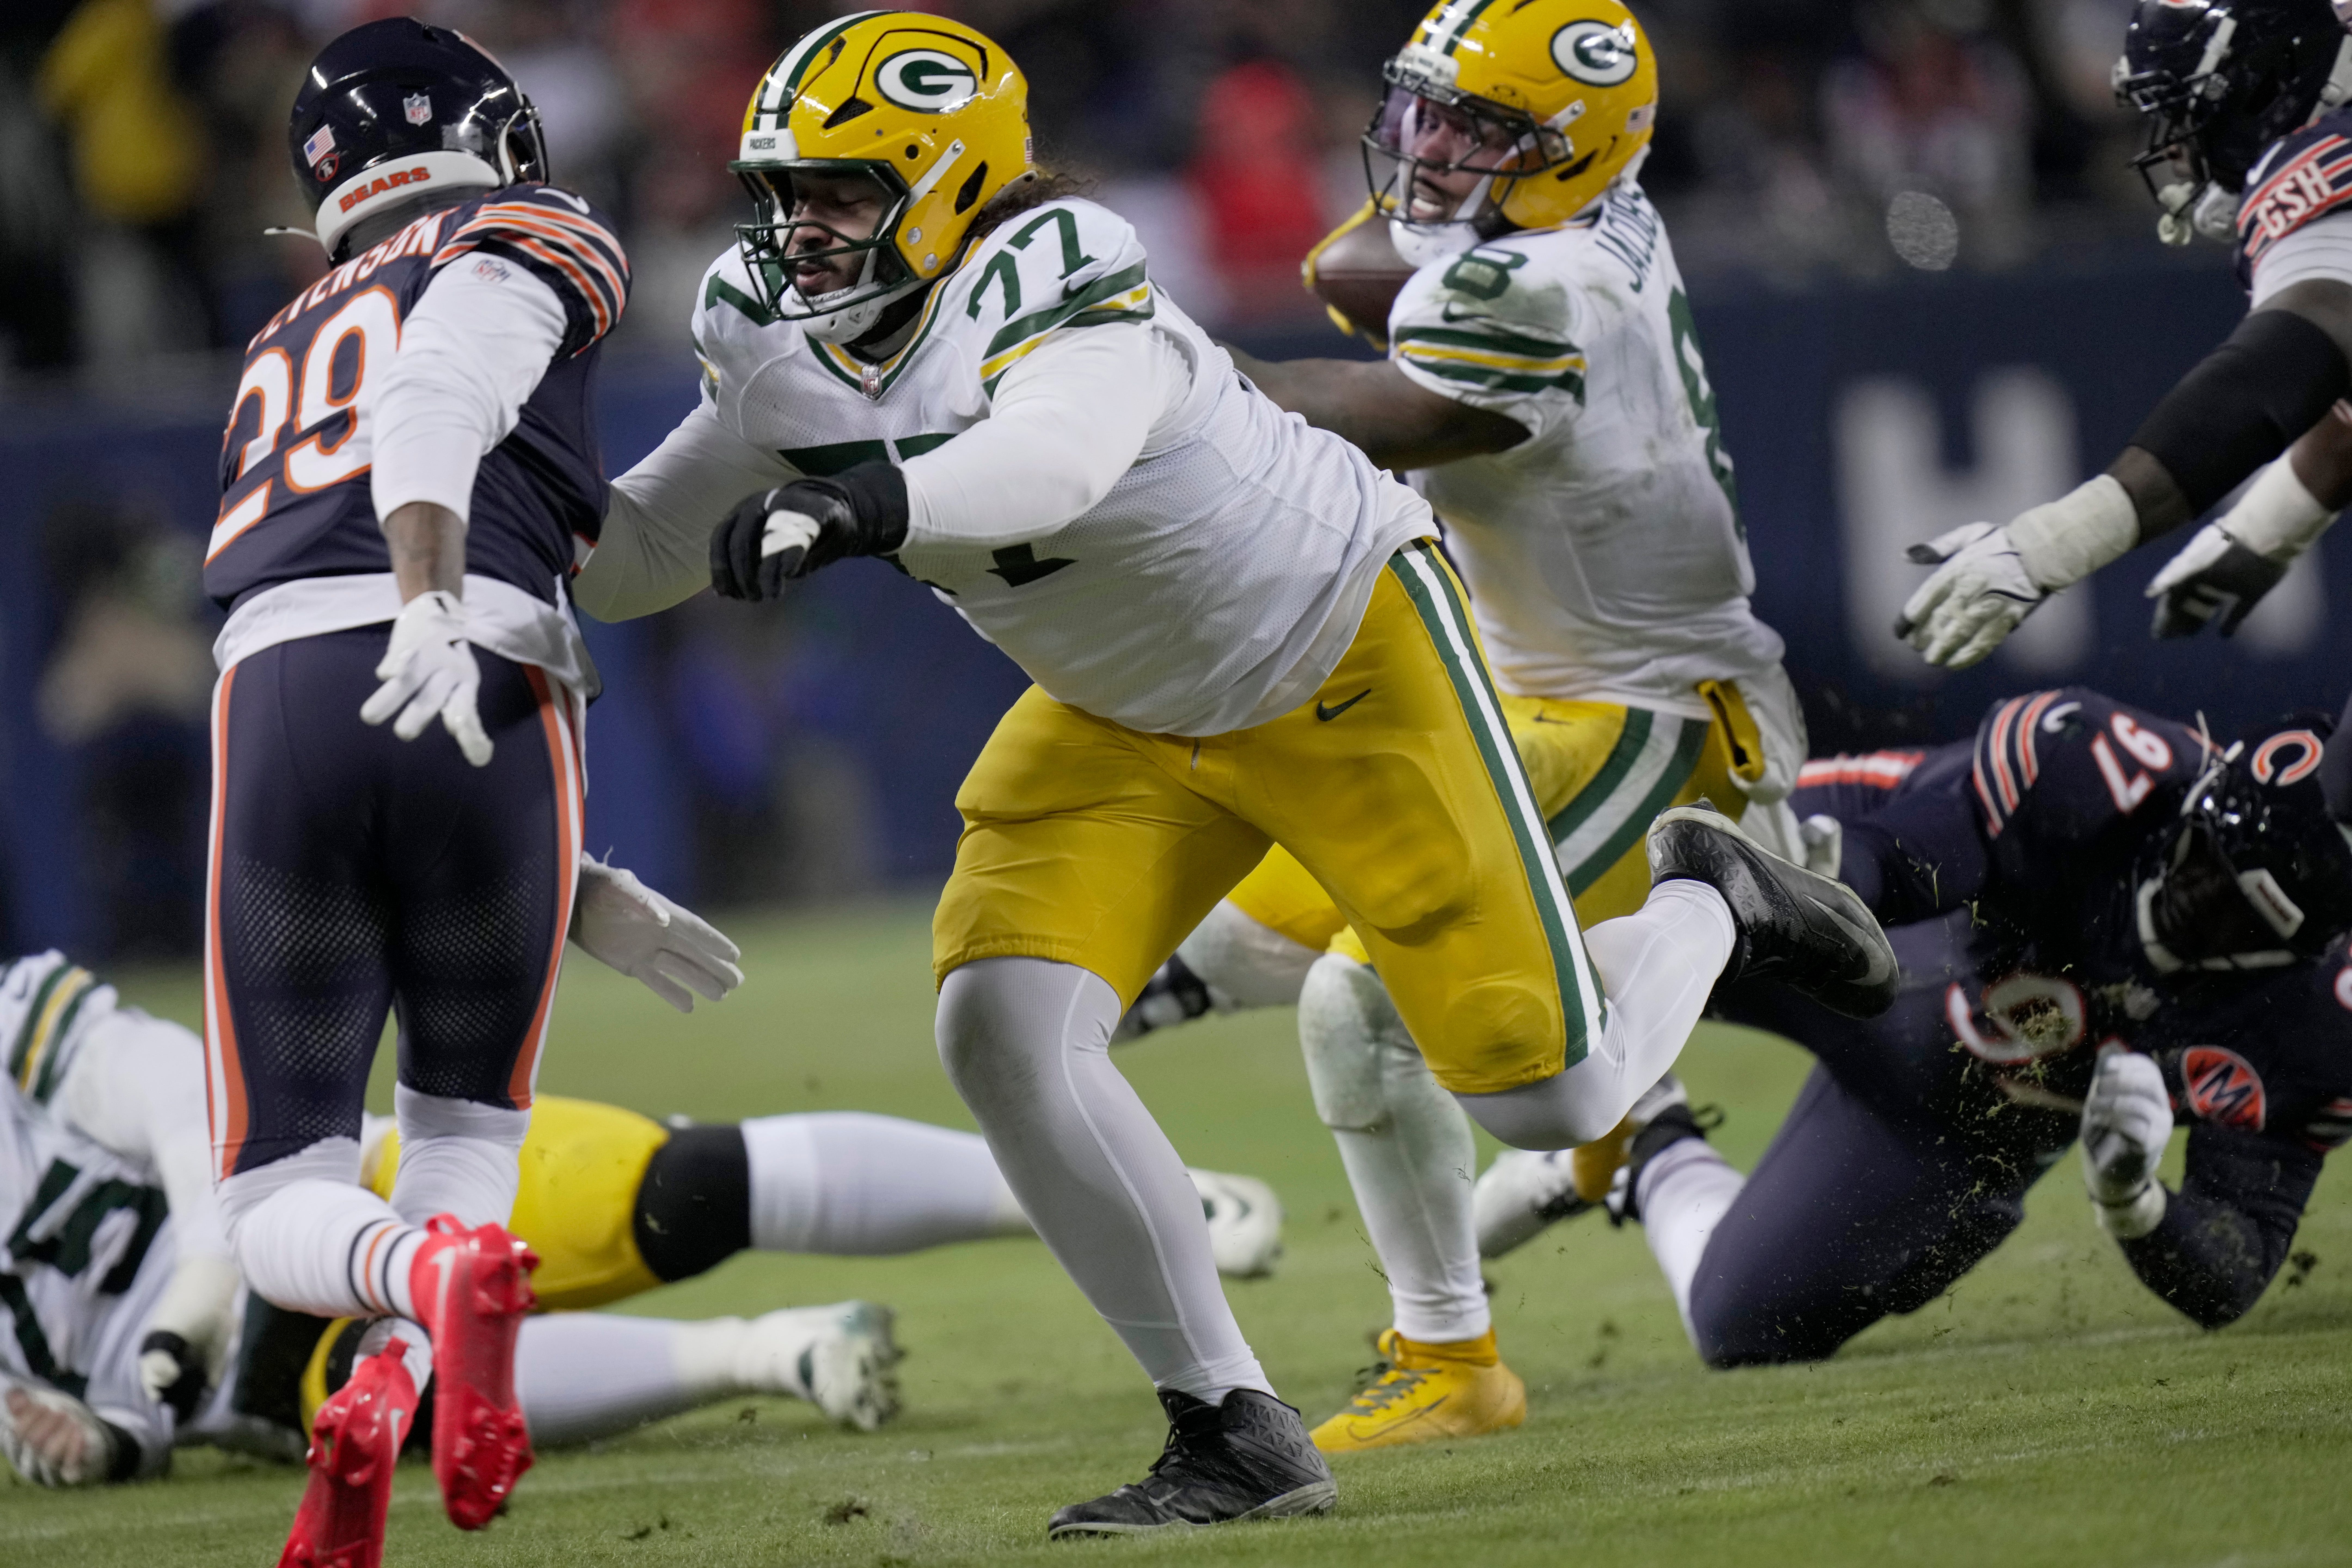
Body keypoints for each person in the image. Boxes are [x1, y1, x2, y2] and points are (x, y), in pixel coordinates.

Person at [573, 9, 1897, 1536]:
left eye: (842, 192)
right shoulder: (765, 323)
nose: (802, 229)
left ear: (952, 183)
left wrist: (865, 502)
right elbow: (641, 551)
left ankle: (1718, 899)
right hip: (1121, 706)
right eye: (785, 194)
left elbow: (1053, 463)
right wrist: (504, 525)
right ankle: (1231, 1425)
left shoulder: (1058, 259)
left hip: (1335, 648)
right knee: (1001, 1025)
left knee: (1554, 1095)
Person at [1117, 0, 1816, 1454]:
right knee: (1203, 953)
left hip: (1654, 718)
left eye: (1479, 128)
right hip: (1515, 699)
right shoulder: (1572, 227)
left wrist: (1127, 367)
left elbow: (1345, 409)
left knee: (1362, 1004)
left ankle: (1451, 1357)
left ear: (1576, 151)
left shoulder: (1542, 286)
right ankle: (1616, 1118)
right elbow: (1361, 270)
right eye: (1426, 111)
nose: (1429, 147)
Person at [202, 20, 683, 1562]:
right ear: (495, 134)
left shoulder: (284, 334)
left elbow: (393, 414)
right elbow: (433, 397)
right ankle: (425, 1308)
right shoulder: (531, 226)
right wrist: (426, 601)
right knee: (467, 1136)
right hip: (481, 661)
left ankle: (391, 1364)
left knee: (278, 1196)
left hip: (285, 693)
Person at [0, 948, 1281, 1488]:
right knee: (420, 1401)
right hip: (258, 1374)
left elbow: (178, 1093)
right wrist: (115, 1439)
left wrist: (187, 1297)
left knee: (680, 1192)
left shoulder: (18, 1027)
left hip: (343, 1192)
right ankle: (767, 1351)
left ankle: (1088, 1201)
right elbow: (67, 1433)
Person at [1476, 692, 2352, 1363]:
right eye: (2201, 854)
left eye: (2236, 908)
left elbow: (2236, 1265)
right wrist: (1762, 898)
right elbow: (1893, 863)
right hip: (1873, 916)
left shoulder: (2318, 1023)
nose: (2191, 892)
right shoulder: (2096, 770)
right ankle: (1455, 1288)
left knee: (1739, 1322)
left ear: (2306, 944)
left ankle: (1651, 1145)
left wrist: (2136, 1201)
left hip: (1966, 1110)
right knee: (1547, 897)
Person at [1896, 0, 2352, 816]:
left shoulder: (2323, 157)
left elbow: (2286, 365)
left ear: (2272, 85)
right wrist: (2273, 523)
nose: (2175, 148)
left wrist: (2053, 544)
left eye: (2191, 112)